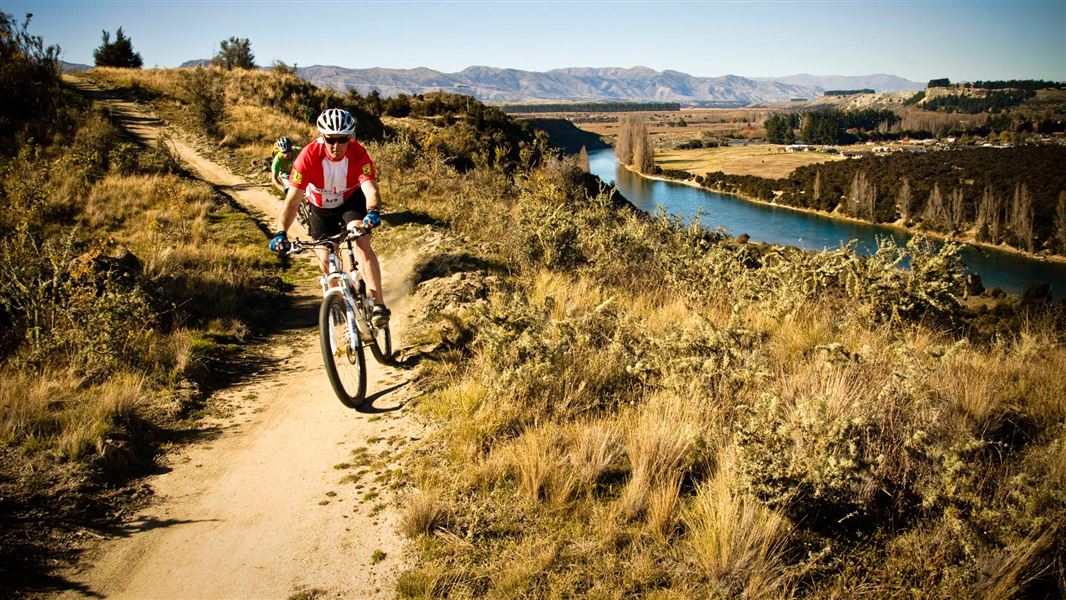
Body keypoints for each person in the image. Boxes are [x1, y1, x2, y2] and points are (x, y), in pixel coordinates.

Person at [269, 108, 389, 327]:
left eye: (342, 139)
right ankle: (341, 307)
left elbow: (370, 189)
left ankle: (379, 305)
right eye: (330, 139)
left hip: (350, 202)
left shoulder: (359, 153)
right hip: (320, 208)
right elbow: (293, 201)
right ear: (321, 136)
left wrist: (372, 211)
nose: (336, 145)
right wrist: (281, 232)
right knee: (325, 258)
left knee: (361, 241)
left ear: (350, 138)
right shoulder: (307, 157)